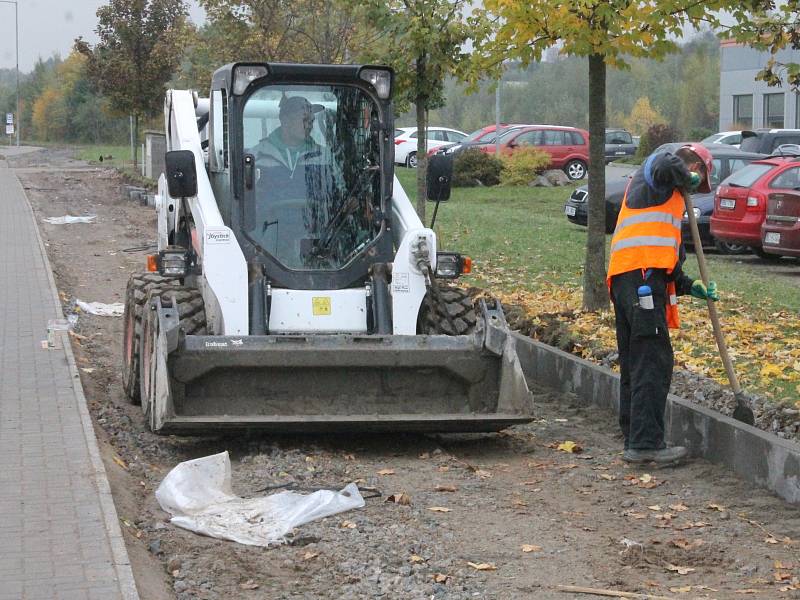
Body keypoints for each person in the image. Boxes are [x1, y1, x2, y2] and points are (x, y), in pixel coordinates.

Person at [606, 143, 720, 465]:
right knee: (651, 360)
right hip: (640, 280)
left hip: (633, 278)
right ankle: (645, 445)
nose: (695, 188)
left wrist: (690, 286)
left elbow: (666, 261)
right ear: (693, 164)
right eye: (697, 176)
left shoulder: (663, 197)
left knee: (637, 359)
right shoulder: (657, 173)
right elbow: (664, 159)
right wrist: (688, 176)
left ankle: (636, 436)